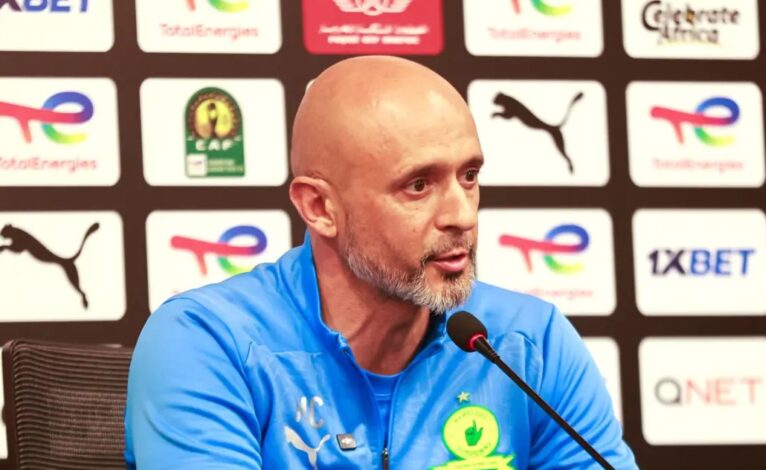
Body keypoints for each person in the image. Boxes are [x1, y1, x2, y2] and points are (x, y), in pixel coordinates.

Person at [125, 56, 638, 469]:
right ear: (320, 208)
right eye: (418, 185)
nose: (461, 215)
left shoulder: (529, 343)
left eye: (469, 176)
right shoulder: (209, 341)